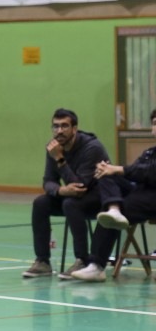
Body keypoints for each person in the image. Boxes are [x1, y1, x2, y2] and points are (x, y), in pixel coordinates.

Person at [22, 108, 110, 279]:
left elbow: (80, 186)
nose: (59, 131)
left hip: (99, 197)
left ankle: (83, 260)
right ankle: (43, 261)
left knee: (71, 204)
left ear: (74, 129)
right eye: (55, 126)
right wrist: (60, 190)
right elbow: (48, 181)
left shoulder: (92, 147)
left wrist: (60, 159)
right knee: (40, 203)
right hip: (70, 195)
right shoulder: (53, 147)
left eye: (64, 126)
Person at [70, 109, 156, 282]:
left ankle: (97, 265)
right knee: (105, 174)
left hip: (152, 198)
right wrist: (111, 170)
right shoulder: (150, 152)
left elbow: (150, 173)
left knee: (117, 205)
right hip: (140, 192)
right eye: (154, 123)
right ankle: (114, 209)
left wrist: (119, 169)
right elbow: (136, 172)